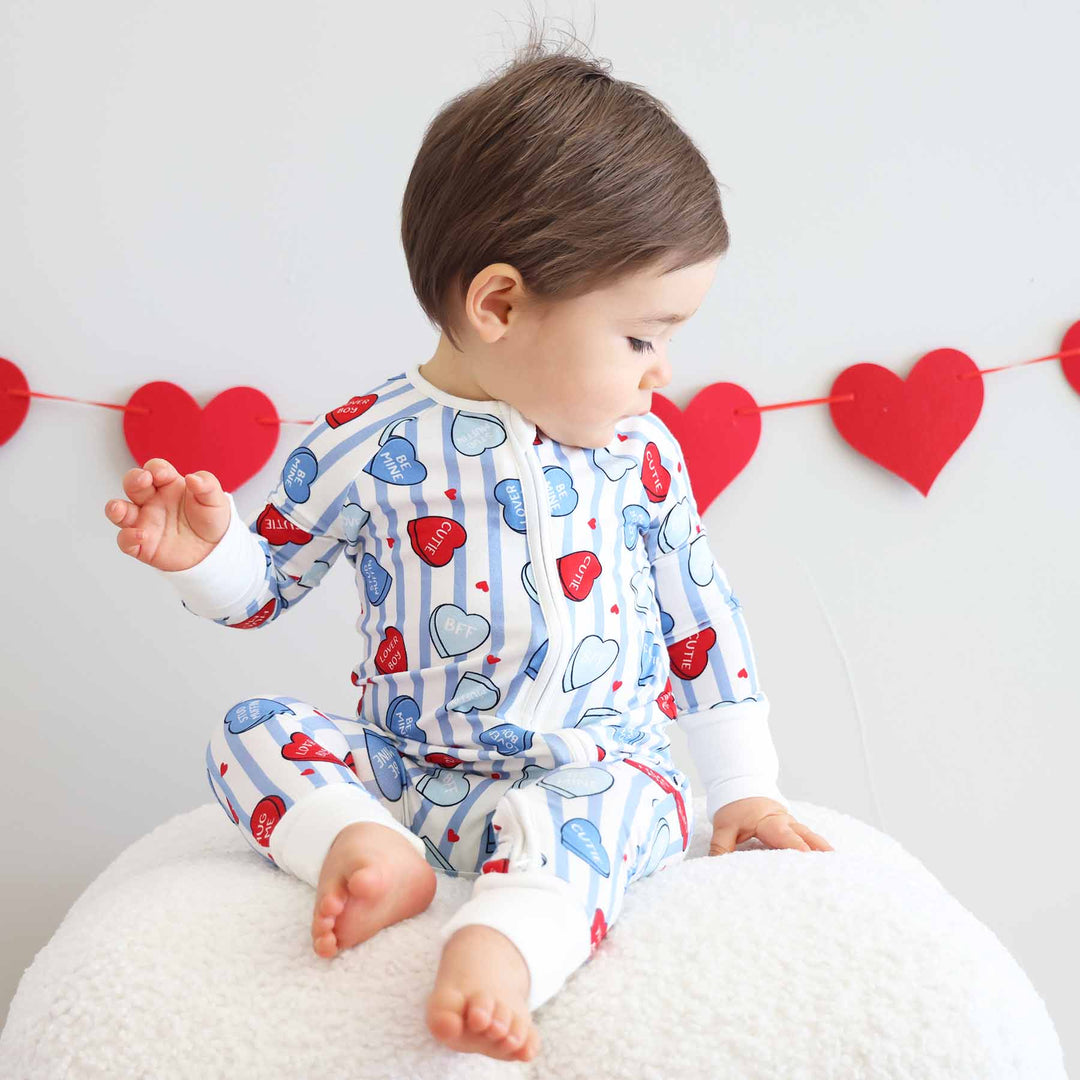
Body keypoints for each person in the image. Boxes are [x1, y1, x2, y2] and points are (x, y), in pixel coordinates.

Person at [103, 24, 832, 1065]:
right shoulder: (366, 440)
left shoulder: (641, 453)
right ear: (499, 304)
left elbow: (700, 621)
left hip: (591, 768)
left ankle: (505, 941)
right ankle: (365, 849)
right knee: (246, 730)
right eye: (642, 336)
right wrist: (204, 556)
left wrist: (745, 788)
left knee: (621, 804)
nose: (661, 371)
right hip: (414, 773)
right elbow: (265, 588)